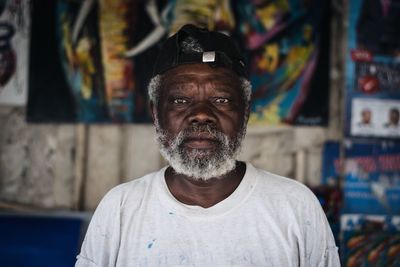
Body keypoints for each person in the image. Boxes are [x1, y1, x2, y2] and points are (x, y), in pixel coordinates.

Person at [76, 24, 340, 266]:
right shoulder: (121, 209)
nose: (201, 114)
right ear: (156, 114)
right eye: (180, 101)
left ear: (245, 114)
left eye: (221, 100)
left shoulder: (295, 207)